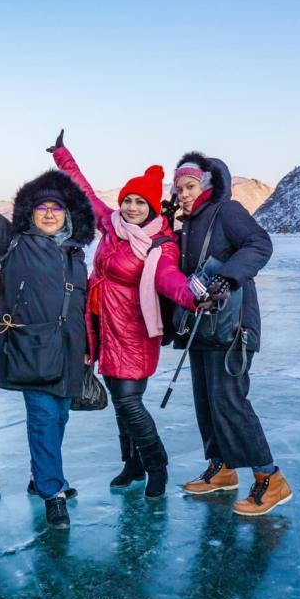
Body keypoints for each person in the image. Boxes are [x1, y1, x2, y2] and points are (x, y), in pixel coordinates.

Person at [48, 130, 197, 497]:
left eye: (139, 203)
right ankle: (131, 465)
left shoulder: (160, 244)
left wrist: (195, 297)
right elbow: (82, 192)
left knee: (130, 402)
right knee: (120, 403)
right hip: (104, 331)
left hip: (134, 332)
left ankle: (156, 465)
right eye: (127, 200)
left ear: (151, 207)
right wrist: (63, 157)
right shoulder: (112, 226)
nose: (131, 207)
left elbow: (170, 280)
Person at [0, 136, 95, 529]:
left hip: (70, 350)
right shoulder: (15, 243)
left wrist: (90, 348)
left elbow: (81, 306)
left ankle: (42, 475)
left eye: (57, 209)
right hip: (32, 346)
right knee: (42, 417)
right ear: (31, 214)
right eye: (43, 209)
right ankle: (52, 493)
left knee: (58, 418)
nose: (50, 214)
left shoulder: (75, 255)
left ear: (68, 215)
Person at [171, 152, 293, 516]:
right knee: (206, 401)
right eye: (179, 189)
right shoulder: (188, 223)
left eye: (190, 186)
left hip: (233, 326)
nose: (184, 194)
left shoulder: (227, 211)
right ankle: (222, 468)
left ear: (207, 184)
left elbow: (259, 244)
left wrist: (229, 275)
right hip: (202, 325)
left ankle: (270, 478)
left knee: (230, 401)